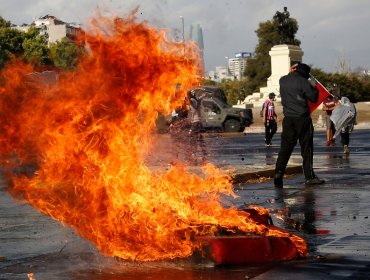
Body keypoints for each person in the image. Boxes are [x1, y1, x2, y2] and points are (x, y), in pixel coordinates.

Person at [274, 63, 325, 188]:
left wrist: (290, 72)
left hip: (288, 120)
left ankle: (278, 174)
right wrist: (313, 86)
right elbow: (313, 98)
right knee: (306, 149)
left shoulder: (283, 80)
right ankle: (309, 176)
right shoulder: (304, 82)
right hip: (302, 119)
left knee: (285, 149)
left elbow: (288, 78)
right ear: (305, 74)